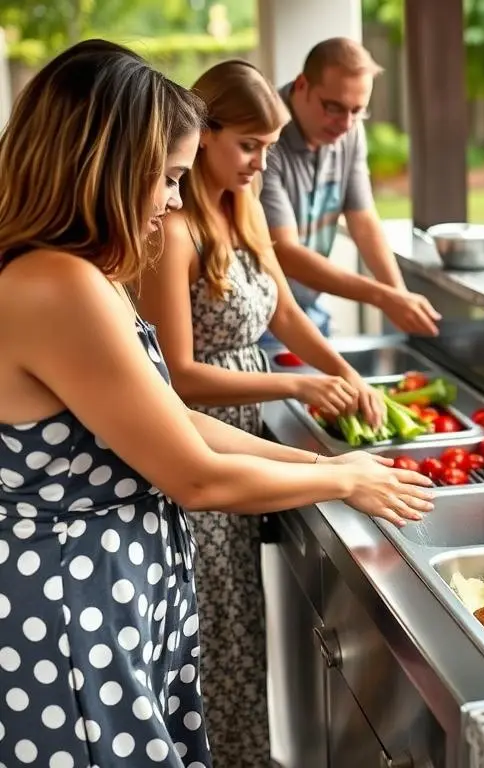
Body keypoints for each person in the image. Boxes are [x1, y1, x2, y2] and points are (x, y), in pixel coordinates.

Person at [0, 40, 432, 768]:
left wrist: (312, 459)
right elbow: (195, 476)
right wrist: (344, 480)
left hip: (108, 608)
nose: (173, 198)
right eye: (166, 177)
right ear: (105, 167)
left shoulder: (74, 272)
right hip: (72, 624)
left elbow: (170, 415)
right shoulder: (55, 287)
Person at [134, 58, 388, 766]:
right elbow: (178, 376)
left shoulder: (238, 210)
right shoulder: (173, 230)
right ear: (204, 132)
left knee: (245, 620)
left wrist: (339, 371)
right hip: (203, 446)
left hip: (251, 436)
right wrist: (296, 387)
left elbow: (282, 311)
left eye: (269, 148)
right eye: (248, 145)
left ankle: (248, 754)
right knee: (219, 632)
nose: (258, 163)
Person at [259, 36, 442, 342]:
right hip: (262, 316)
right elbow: (286, 253)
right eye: (334, 107)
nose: (346, 123)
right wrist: (382, 297)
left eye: (358, 111)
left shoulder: (350, 131)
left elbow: (364, 221)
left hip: (310, 307)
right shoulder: (266, 135)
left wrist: (399, 296)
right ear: (302, 84)